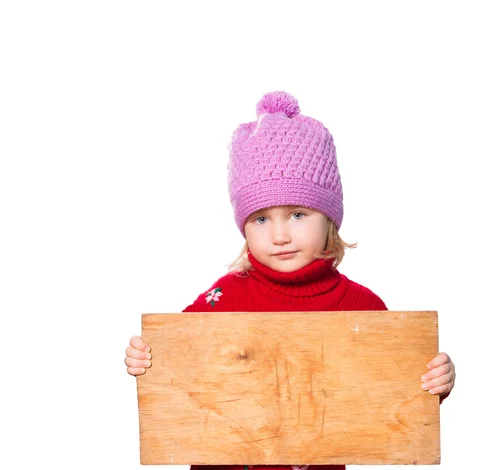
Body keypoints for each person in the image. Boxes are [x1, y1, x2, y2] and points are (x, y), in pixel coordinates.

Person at [125, 91, 456, 470]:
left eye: (297, 214)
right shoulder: (225, 296)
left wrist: (436, 382)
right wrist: (146, 358)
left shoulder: (360, 307)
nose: (279, 235)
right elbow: (177, 357)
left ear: (329, 218)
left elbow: (394, 390)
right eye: (261, 219)